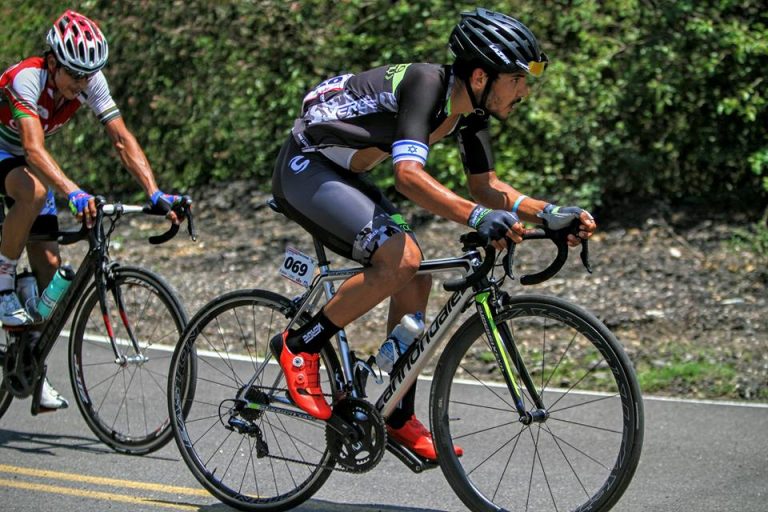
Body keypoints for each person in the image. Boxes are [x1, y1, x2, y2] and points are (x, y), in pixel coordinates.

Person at [270, 8, 596, 460]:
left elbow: (487, 187)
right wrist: (478, 218)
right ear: (480, 76)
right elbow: (407, 176)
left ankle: (396, 413)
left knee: (416, 274)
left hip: (346, 173)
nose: (524, 90)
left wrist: (550, 214)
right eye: (517, 79)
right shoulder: (425, 84)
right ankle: (300, 344)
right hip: (306, 165)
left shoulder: (471, 112)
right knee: (400, 259)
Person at [0, 10, 185, 410]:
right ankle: (2, 282)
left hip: (24, 163)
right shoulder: (26, 78)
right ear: (53, 62)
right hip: (11, 155)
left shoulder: (88, 81)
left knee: (51, 273)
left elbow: (121, 139)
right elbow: (32, 148)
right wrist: (74, 192)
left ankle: (30, 369)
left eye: (88, 76)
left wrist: (154, 191)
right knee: (33, 191)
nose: (81, 84)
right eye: (75, 75)